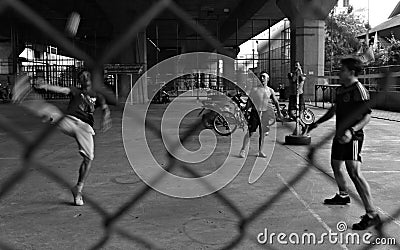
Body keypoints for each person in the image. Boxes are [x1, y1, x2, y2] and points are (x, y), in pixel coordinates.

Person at [13, 70, 112, 206]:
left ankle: (78, 188)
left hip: (85, 127)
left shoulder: (98, 96)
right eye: (82, 76)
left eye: (88, 75)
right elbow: (60, 89)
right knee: (50, 110)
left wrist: (106, 116)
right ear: (80, 81)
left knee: (89, 158)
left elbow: (106, 107)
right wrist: (45, 86)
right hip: (68, 120)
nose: (85, 77)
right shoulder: (75, 91)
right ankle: (23, 95)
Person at [308, 58, 380, 230]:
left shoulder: (359, 90)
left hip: (353, 136)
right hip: (340, 135)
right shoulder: (341, 90)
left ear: (352, 72)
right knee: (335, 165)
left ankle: (372, 214)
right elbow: (334, 110)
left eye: (342, 70)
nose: (339, 72)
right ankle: (343, 194)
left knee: (354, 172)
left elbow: (367, 115)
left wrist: (352, 131)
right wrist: (317, 122)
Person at [239, 72, 282, 158]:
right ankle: (243, 150)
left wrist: (279, 112)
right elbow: (249, 102)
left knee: (262, 134)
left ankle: (260, 151)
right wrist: (246, 111)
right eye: (261, 77)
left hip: (265, 114)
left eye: (264, 77)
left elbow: (276, 102)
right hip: (255, 113)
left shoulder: (270, 91)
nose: (262, 78)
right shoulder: (254, 90)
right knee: (250, 132)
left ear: (267, 79)